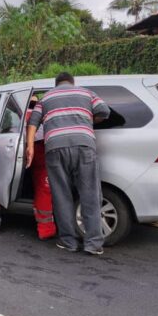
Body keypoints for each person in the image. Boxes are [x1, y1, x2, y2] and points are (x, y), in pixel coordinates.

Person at [25, 72, 110, 255]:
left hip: (55, 148)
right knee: (90, 195)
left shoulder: (46, 98)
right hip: (84, 146)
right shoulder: (86, 93)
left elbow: (33, 122)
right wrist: (87, 119)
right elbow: (104, 111)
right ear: (72, 83)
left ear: (56, 84)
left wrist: (30, 147)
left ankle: (68, 242)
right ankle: (93, 244)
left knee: (61, 196)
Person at [26, 95, 57, 240]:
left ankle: (42, 224)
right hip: (42, 149)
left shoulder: (23, 114)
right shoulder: (43, 112)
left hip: (36, 150)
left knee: (40, 187)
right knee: (44, 189)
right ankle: (46, 229)